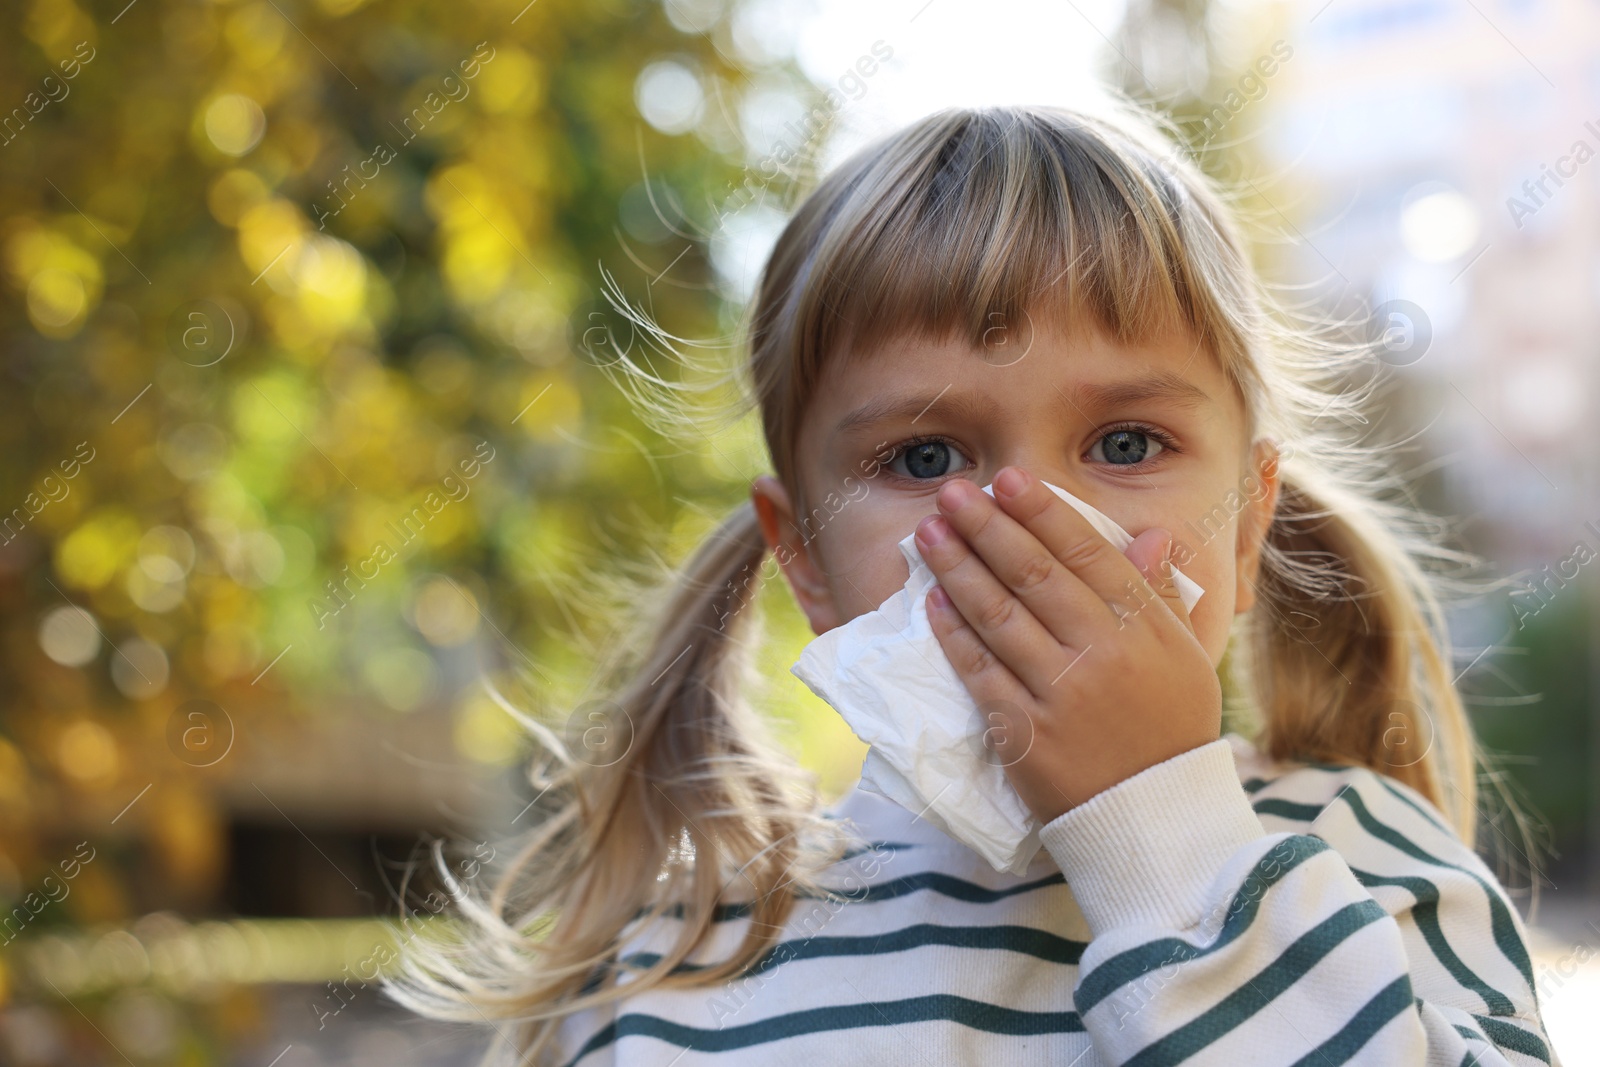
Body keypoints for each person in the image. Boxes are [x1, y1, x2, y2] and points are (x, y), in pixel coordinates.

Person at [385, 102, 1560, 1066]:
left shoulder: (1373, 864)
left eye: (1127, 444)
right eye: (925, 457)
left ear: (1247, 522)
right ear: (805, 558)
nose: (1034, 527)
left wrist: (1162, 834)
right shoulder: (682, 962)